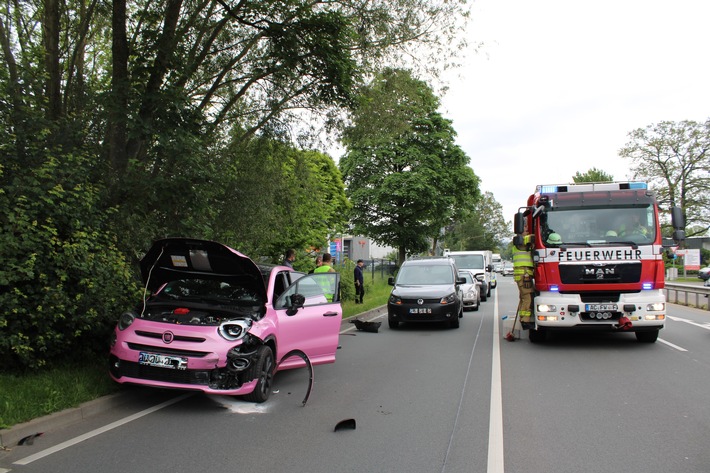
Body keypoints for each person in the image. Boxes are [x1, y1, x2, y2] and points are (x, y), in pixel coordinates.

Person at [513, 232, 535, 330]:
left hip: (522, 274)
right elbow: (533, 238)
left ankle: (522, 318)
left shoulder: (522, 243)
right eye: (525, 228)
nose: (527, 230)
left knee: (523, 297)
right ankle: (525, 320)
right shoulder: (520, 241)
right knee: (528, 297)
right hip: (524, 274)